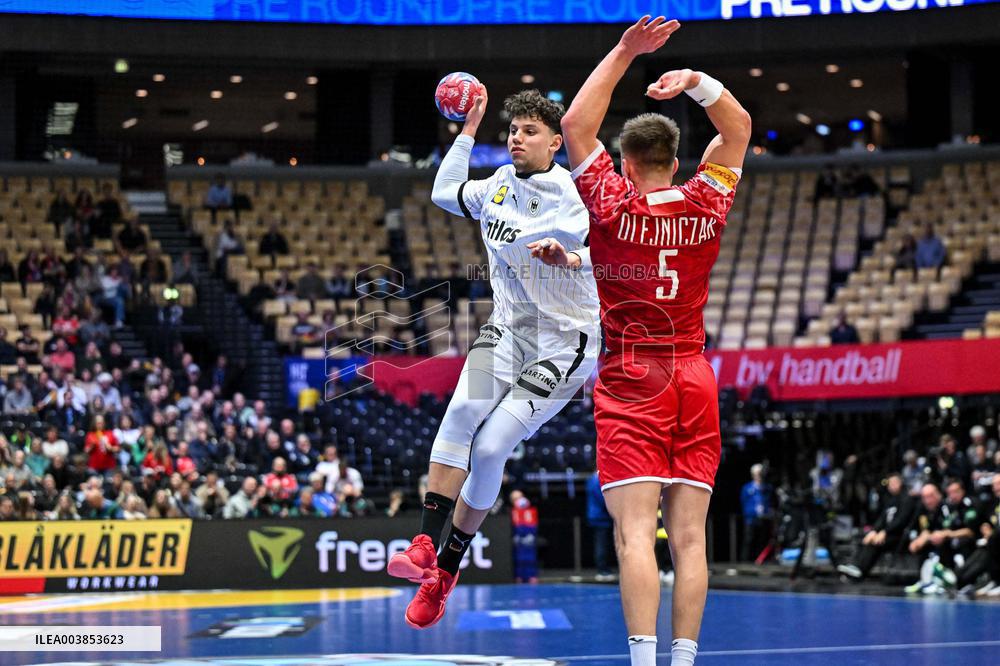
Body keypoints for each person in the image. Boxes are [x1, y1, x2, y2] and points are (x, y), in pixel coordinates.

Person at [537, 16, 749, 666]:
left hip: (634, 377)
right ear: (677, 162)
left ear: (625, 165)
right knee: (690, 539)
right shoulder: (706, 205)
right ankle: (684, 660)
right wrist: (698, 83)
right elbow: (738, 131)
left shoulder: (611, 206)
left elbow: (574, 126)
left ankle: (643, 660)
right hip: (693, 376)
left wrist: (628, 49)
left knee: (635, 535)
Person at [385, 84, 601, 630]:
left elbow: (589, 245)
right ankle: (424, 549)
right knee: (459, 413)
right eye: (513, 130)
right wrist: (470, 126)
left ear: (556, 141)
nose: (517, 139)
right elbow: (443, 192)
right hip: (510, 327)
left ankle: (448, 572)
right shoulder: (499, 183)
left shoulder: (567, 193)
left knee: (491, 446)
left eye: (530, 131)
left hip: (565, 339)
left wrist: (567, 256)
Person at [837, 473, 916, 581]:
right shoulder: (890, 500)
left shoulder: (907, 499)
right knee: (865, 538)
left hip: (899, 535)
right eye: (889, 484)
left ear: (900, 483)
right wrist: (874, 531)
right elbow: (882, 519)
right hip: (886, 533)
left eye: (893, 483)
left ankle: (860, 571)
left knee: (876, 543)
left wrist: (885, 532)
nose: (890, 486)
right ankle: (855, 567)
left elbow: (901, 521)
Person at [740, 463, 774, 563]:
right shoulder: (747, 488)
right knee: (749, 539)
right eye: (757, 474)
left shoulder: (767, 488)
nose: (759, 476)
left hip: (764, 517)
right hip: (751, 518)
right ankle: (745, 561)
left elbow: (770, 501)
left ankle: (760, 560)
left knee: (762, 540)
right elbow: (743, 502)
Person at [586, 470, 615, 580]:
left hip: (599, 516)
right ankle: (602, 569)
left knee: (602, 543)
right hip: (600, 517)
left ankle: (604, 568)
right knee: (601, 544)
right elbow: (602, 498)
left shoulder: (592, 479)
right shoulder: (596, 480)